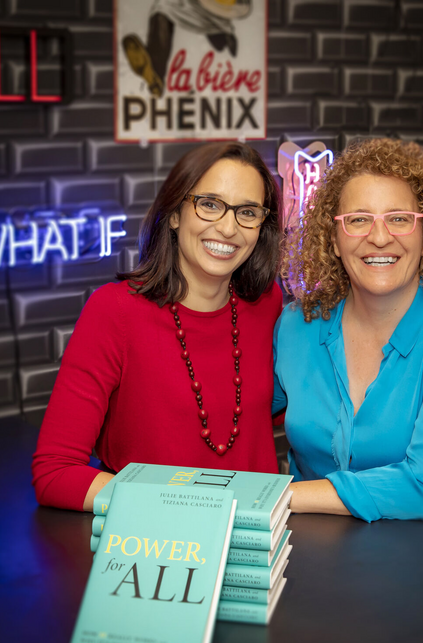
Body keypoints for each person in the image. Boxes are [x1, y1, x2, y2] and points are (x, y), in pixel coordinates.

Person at [32, 141, 282, 511]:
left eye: (247, 212)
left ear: (262, 226)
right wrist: (177, 506)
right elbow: (54, 472)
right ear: (176, 213)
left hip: (258, 546)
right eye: (209, 204)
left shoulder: (269, 304)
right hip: (159, 549)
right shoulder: (114, 310)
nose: (228, 228)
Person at [273, 138, 423, 522]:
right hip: (303, 556)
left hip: (414, 559)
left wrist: (274, 498)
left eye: (399, 218)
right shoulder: (296, 324)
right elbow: (240, 416)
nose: (379, 237)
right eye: (359, 220)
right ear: (334, 238)